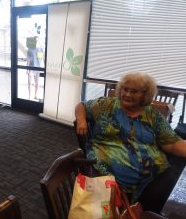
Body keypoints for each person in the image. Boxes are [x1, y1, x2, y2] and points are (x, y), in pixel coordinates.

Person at [75, 73, 186, 213]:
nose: (127, 94)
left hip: (151, 171)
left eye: (133, 91)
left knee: (171, 189)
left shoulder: (152, 114)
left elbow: (172, 142)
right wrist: (81, 120)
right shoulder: (106, 105)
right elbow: (81, 106)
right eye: (124, 89)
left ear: (145, 95)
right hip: (107, 168)